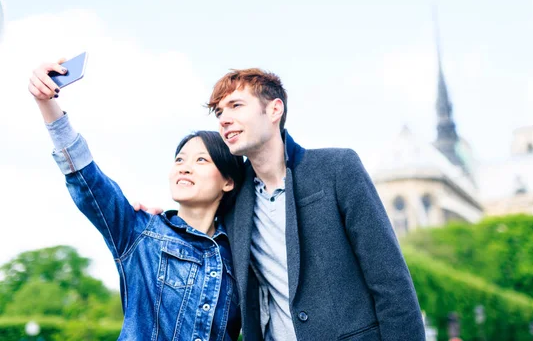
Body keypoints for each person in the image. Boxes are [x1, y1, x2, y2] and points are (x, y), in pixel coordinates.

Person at [140, 68, 426, 340]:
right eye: (219, 112)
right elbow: (199, 228)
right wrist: (161, 219)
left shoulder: (337, 169)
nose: (224, 119)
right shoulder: (234, 202)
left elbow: (392, 285)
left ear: (275, 110)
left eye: (236, 105)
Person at [28, 60, 244, 341]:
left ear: (228, 181)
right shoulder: (141, 232)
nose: (184, 166)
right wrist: (47, 105)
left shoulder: (239, 256)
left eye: (201, 160)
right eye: (179, 159)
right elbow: (88, 180)